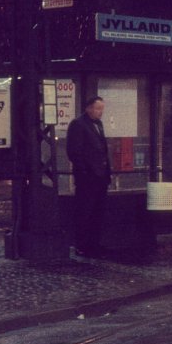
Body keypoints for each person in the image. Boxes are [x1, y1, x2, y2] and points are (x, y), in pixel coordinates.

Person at [66, 96, 111, 257]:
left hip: (101, 177)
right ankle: (82, 245)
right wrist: (85, 172)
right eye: (98, 109)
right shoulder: (78, 124)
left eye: (102, 109)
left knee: (98, 213)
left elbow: (102, 150)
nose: (100, 112)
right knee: (85, 212)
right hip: (88, 178)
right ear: (88, 108)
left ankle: (94, 244)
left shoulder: (99, 124)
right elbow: (74, 151)